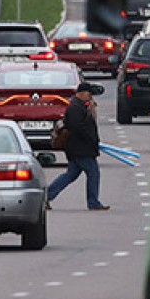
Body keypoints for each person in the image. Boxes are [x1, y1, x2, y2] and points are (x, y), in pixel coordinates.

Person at [46, 82, 110, 211]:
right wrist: (92, 140)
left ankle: (46, 196)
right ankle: (93, 202)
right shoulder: (75, 108)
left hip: (78, 148)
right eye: (89, 93)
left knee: (70, 175)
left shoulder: (80, 106)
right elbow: (78, 128)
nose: (90, 96)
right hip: (81, 148)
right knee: (93, 173)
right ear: (82, 93)